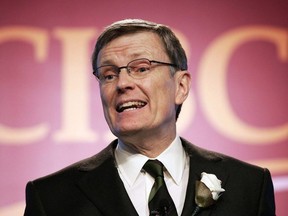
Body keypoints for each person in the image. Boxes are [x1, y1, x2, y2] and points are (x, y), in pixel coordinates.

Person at [24, 19, 275, 216]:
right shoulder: (51, 198)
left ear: (181, 87)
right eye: (108, 75)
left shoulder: (249, 185)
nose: (122, 83)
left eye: (141, 68)